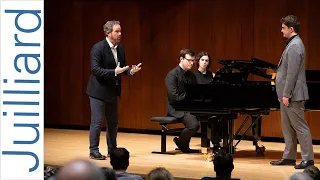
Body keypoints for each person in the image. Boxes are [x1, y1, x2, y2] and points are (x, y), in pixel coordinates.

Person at [86, 20, 142, 160]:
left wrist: (130, 71)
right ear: (108, 33)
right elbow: (95, 70)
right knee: (97, 122)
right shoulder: (98, 48)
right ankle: (93, 150)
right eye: (117, 31)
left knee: (113, 122)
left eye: (120, 31)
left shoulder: (120, 48)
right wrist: (114, 72)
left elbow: (122, 68)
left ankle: (112, 149)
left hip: (112, 91)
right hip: (98, 91)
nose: (119, 34)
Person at [270, 15, 314, 169]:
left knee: (300, 127)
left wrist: (286, 94)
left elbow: (292, 73)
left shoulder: (295, 45)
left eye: (283, 28)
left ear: (291, 29)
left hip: (293, 95)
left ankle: (308, 159)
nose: (281, 31)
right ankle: (289, 157)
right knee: (287, 127)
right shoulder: (292, 44)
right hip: (287, 94)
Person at [165, 48, 200, 153]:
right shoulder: (172, 75)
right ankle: (182, 144)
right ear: (181, 59)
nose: (192, 63)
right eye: (189, 60)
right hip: (176, 108)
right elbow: (174, 97)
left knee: (210, 117)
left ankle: (211, 146)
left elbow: (195, 92)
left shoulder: (192, 75)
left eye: (193, 61)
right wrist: (189, 96)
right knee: (194, 125)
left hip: (188, 107)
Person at [194, 52, 224, 152]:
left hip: (210, 104)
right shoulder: (193, 76)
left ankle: (216, 141)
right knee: (214, 117)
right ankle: (214, 142)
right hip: (199, 105)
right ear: (198, 61)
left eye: (206, 60)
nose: (204, 62)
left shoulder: (212, 75)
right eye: (202, 60)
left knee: (221, 115)